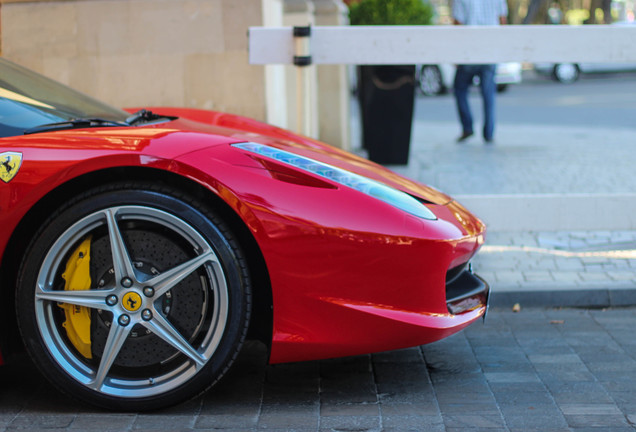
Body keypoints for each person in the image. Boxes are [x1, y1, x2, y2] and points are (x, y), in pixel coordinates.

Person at [452, 0, 508, 144]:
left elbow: (458, 24)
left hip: (470, 51)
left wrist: (456, 53)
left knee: (460, 89)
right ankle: (488, 133)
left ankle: (467, 127)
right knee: (489, 94)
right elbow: (502, 21)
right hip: (490, 50)